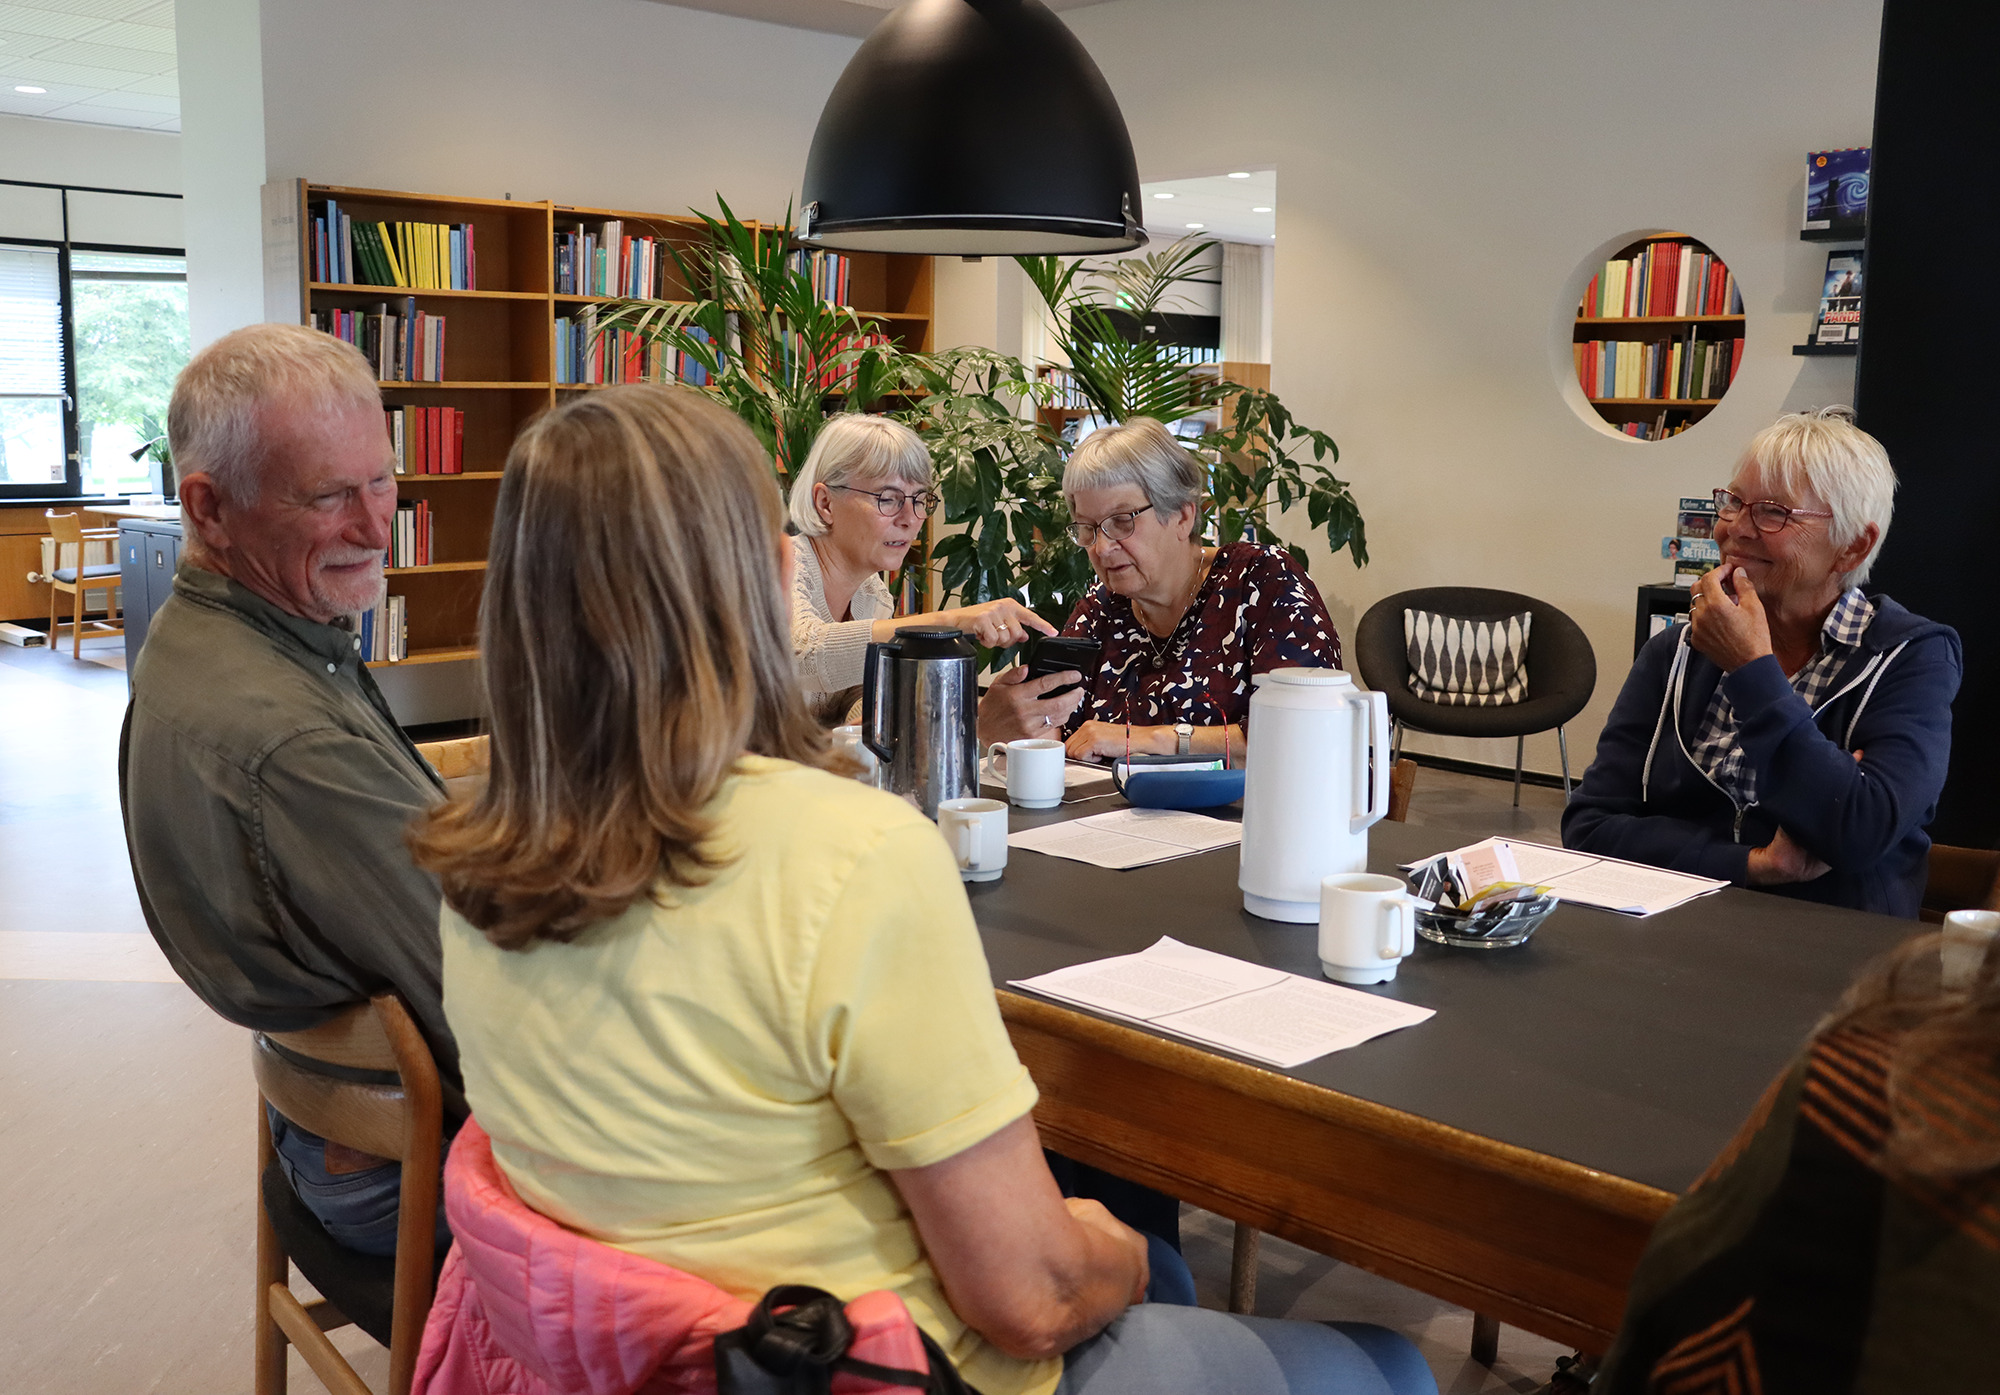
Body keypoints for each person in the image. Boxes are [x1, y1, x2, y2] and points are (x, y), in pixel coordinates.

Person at [412, 385, 1434, 1395]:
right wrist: (1107, 1249)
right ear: (748, 577)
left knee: (1150, 1264)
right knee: (1369, 1353)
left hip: (636, 1345)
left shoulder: (474, 863)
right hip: (875, 1364)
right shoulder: (849, 852)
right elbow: (1031, 1299)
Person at [120, 322, 457, 1256]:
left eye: (381, 480)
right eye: (328, 496)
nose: (375, 522)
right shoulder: (292, 743)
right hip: (396, 1172)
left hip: (331, 1131)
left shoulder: (218, 636)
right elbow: (496, 1022)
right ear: (208, 508)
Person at [1563, 408, 1960, 918]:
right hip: (1674, 937)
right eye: (1733, 503)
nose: (1735, 530)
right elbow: (1590, 826)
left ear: (1853, 545)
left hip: (1831, 953)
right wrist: (1753, 863)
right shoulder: (1677, 651)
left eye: (1773, 512)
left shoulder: (1911, 656)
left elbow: (1859, 831)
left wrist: (1751, 668)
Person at [1596, 927, 2000, 1393]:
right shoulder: (1859, 1096)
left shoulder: (1864, 1103)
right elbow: (1605, 847)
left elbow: (1849, 851)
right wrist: (1749, 861)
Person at [978, 416, 1344, 761]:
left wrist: (1154, 739)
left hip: (1255, 821)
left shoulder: (1261, 581)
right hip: (1117, 822)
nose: (1102, 548)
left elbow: (1308, 730)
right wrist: (1005, 726)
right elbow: (1057, 739)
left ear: (1183, 516)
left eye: (1121, 522)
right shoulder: (1100, 610)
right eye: (1087, 528)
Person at [789, 413, 1053, 722]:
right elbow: (804, 655)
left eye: (919, 499)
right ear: (825, 502)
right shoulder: (773, 565)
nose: (910, 518)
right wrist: (948, 622)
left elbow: (854, 698)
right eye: (888, 499)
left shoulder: (872, 595)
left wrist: (978, 719)